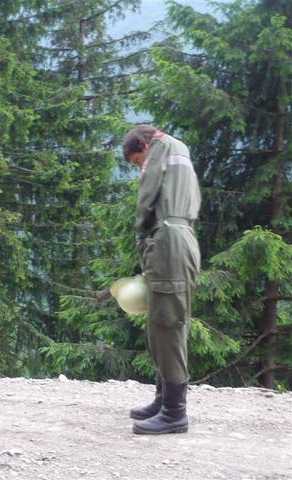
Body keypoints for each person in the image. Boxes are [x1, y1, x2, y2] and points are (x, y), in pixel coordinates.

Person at [122, 124, 201, 435]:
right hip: (177, 239)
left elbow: (148, 193)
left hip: (168, 242)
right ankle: (162, 399)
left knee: (167, 325)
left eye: (136, 162)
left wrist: (142, 224)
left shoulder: (159, 147)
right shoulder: (179, 149)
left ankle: (174, 413)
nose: (138, 168)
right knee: (161, 321)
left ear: (143, 145)